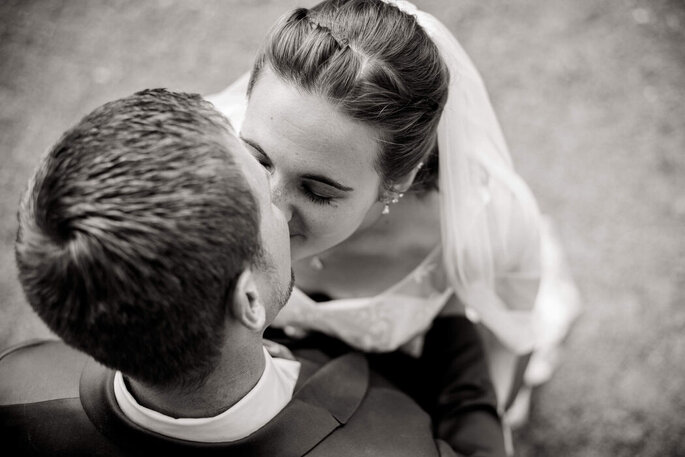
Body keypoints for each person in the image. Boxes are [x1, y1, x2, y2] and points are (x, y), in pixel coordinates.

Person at [0, 89, 503, 456]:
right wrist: (455, 323)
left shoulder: (17, 386)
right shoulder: (397, 444)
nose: (284, 205)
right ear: (248, 302)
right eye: (264, 193)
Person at [208, 0, 581, 437]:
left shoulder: (479, 229)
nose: (268, 211)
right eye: (258, 159)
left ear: (397, 179)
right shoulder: (200, 155)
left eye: (318, 191)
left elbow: (506, 348)